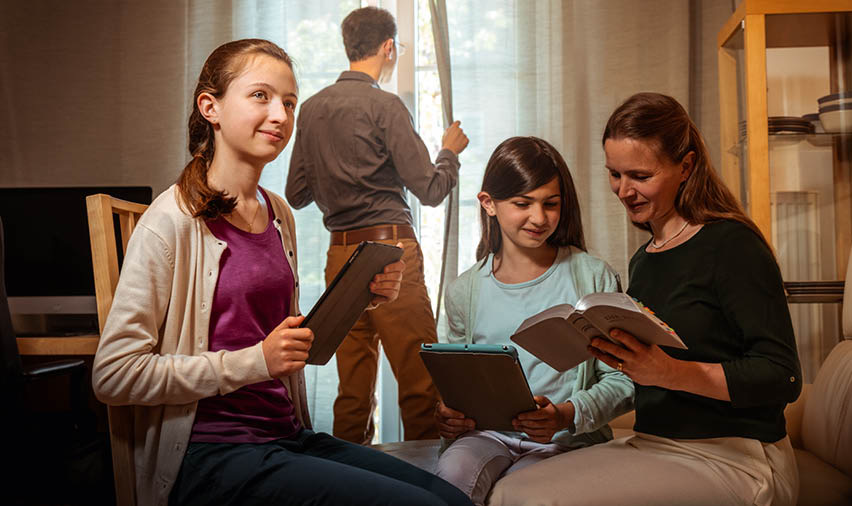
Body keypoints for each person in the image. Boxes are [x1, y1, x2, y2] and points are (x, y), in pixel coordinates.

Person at [91, 38, 473, 506]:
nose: (281, 116)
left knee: (454, 498)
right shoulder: (170, 221)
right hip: (213, 454)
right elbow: (113, 375)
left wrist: (362, 297)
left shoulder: (277, 213)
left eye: (289, 103)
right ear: (210, 107)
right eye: (261, 96)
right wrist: (256, 361)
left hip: (286, 436)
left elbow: (288, 344)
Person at [489, 93, 803, 506]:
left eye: (639, 175)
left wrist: (670, 372)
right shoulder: (646, 258)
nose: (624, 190)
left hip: (734, 456)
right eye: (614, 174)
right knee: (511, 490)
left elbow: (784, 376)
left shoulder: (732, 245)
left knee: (533, 503)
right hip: (654, 443)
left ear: (685, 167)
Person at [285, 6, 469, 444]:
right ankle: (428, 481)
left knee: (352, 387)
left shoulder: (310, 111)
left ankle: (350, 485)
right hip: (390, 255)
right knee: (419, 380)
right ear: (388, 47)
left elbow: (296, 194)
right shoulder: (386, 106)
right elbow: (430, 189)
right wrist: (449, 151)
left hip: (339, 256)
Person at [434, 136, 635, 506]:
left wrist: (566, 415)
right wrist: (448, 414)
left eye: (550, 204)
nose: (539, 218)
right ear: (488, 204)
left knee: (522, 491)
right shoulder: (464, 291)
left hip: (564, 440)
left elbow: (623, 379)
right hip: (486, 437)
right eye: (523, 203)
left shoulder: (592, 277)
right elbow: (453, 382)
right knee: (450, 476)